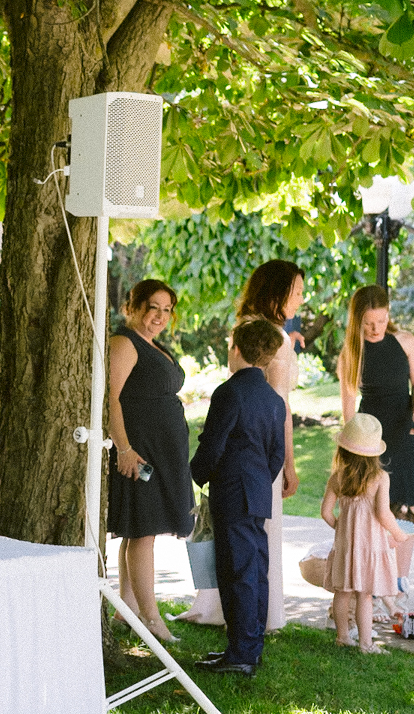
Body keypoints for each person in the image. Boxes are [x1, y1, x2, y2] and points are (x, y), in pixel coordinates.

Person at [183, 260, 304, 629]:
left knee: (239, 543)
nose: (301, 298)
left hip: (240, 458)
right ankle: (253, 621)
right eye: (296, 291)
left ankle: (238, 619)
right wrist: (287, 464)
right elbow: (278, 406)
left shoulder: (251, 330)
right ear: (277, 292)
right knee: (255, 544)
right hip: (259, 454)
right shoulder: (274, 339)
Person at [189, 317, 289, 676]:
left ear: (236, 350)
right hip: (258, 491)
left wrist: (195, 474)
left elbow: (214, 445)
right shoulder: (274, 400)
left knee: (239, 572)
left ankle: (243, 653)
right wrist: (260, 478)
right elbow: (276, 455)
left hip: (232, 491)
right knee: (252, 570)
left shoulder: (229, 392)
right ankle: (245, 648)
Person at [108, 280, 194, 643]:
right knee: (143, 532)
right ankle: (151, 619)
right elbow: (110, 399)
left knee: (139, 531)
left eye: (166, 309)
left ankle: (124, 611)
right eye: (153, 307)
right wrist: (124, 448)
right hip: (140, 451)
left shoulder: (154, 345)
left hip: (163, 452)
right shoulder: (124, 343)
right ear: (134, 306)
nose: (159, 316)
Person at [320, 414, 411, 653]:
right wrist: (398, 533)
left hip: (345, 546)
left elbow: (326, 512)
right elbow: (383, 513)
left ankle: (342, 637)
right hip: (370, 546)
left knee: (342, 593)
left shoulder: (337, 477)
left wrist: (341, 528)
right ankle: (366, 643)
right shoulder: (379, 477)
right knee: (364, 595)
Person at [338, 285, 414, 516]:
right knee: (372, 508)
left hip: (404, 431)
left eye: (382, 320)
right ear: (357, 320)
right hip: (369, 437)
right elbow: (348, 409)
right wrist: (351, 449)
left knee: (405, 510)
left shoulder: (406, 341)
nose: (376, 328)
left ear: (388, 314)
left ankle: (405, 555)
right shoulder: (351, 354)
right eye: (368, 323)